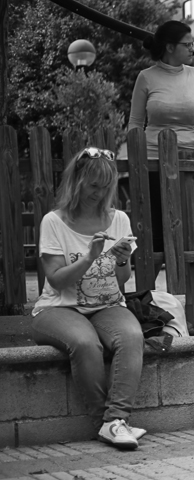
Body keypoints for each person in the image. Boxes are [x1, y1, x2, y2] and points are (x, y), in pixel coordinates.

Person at [31, 148, 146, 450]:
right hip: (58, 308)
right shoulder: (53, 222)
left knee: (132, 336)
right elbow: (56, 280)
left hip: (108, 305)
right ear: (77, 181)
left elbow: (121, 280)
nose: (99, 193)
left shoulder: (118, 219)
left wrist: (122, 260)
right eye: (94, 185)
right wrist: (89, 257)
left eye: (106, 186)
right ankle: (106, 424)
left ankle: (115, 420)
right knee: (85, 343)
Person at [128, 20, 194, 262]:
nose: (193, 48)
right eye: (187, 44)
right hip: (152, 160)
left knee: (189, 224)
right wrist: (135, 156)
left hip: (189, 158)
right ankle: (151, 281)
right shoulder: (146, 77)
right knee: (156, 229)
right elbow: (135, 122)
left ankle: (189, 281)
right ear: (170, 47)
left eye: (193, 43)